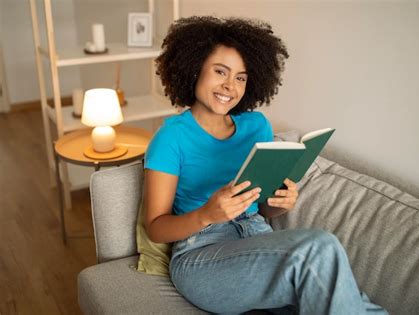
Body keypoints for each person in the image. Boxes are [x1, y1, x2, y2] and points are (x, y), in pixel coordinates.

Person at [144, 16, 387, 315]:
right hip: (201, 254)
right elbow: (156, 228)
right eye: (220, 71)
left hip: (258, 239)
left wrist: (280, 204)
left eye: (241, 77)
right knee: (320, 248)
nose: (230, 86)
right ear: (194, 69)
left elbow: (262, 209)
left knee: (340, 292)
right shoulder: (170, 137)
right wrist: (206, 215)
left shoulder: (257, 126)